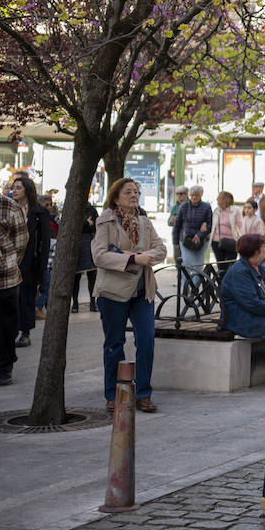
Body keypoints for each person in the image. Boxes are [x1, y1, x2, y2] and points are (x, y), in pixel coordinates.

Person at [92, 177, 166, 413]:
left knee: (146, 341)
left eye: (136, 192)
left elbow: (161, 249)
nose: (134, 195)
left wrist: (143, 255)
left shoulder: (144, 221)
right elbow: (99, 256)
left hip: (143, 290)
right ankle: (113, 395)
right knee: (115, 344)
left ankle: (143, 394)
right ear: (115, 197)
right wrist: (133, 258)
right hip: (113, 292)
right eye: (128, 192)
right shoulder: (106, 221)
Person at [0, 170, 28, 385]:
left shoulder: (9, 206)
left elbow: (21, 240)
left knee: (4, 327)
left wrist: (8, 263)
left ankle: (4, 368)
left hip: (4, 279)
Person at [8, 177, 50, 347]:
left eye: (18, 187)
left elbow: (45, 242)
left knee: (26, 298)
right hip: (9, 259)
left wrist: (42, 266)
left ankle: (25, 333)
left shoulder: (40, 212)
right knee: (8, 298)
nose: (14, 190)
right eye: (13, 188)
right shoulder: (8, 209)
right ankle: (1, 329)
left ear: (27, 190)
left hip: (30, 262)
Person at [220, 234, 265, 341]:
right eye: (264, 246)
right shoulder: (239, 272)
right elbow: (252, 304)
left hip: (258, 314)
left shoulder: (260, 268)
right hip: (242, 319)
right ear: (255, 251)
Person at [173, 185, 212, 272]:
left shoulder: (206, 207)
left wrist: (200, 234)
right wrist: (175, 241)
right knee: (186, 263)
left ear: (201, 195)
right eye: (192, 195)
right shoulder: (184, 206)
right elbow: (177, 225)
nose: (194, 197)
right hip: (185, 239)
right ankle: (185, 285)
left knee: (198, 265)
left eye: (196, 195)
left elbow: (209, 225)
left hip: (201, 240)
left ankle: (195, 285)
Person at [72, 200, 99, 313]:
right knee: (75, 277)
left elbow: (96, 226)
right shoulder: (73, 208)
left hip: (89, 244)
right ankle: (75, 304)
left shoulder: (92, 210)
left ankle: (93, 303)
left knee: (92, 276)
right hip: (76, 245)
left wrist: (88, 225)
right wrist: (86, 224)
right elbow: (72, 227)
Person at [209, 191, 241, 267]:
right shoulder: (216, 210)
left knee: (231, 265)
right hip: (216, 241)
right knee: (220, 265)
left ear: (225, 199)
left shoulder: (235, 210)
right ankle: (221, 279)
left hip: (230, 241)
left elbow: (241, 225)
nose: (217, 199)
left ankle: (229, 278)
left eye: (219, 198)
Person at [166, 184, 188, 252]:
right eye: (177, 194)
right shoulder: (175, 207)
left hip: (187, 236)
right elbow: (169, 223)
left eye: (181, 194)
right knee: (177, 258)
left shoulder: (190, 205)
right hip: (177, 236)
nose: (178, 196)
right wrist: (171, 221)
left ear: (186, 194)